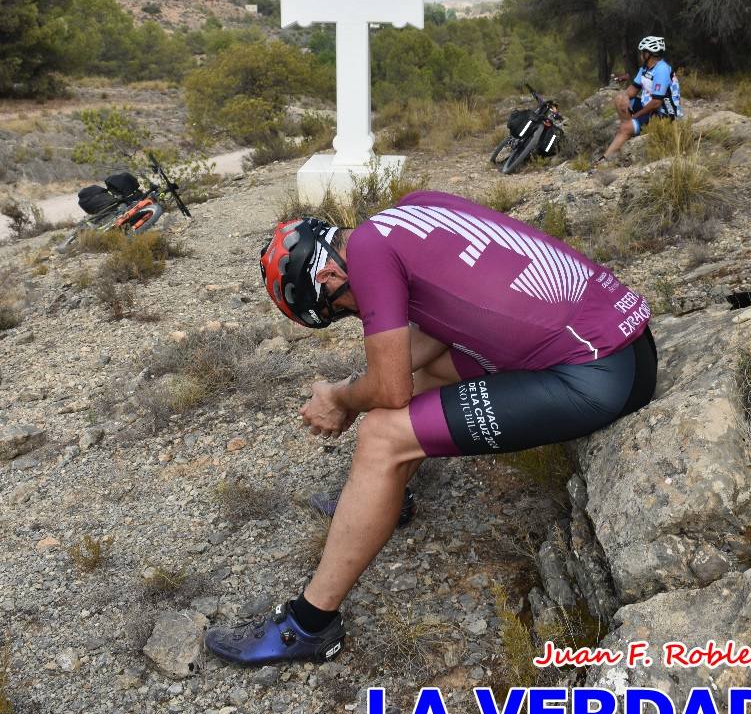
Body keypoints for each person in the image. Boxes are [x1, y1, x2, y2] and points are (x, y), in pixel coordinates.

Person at [205, 191, 657, 667]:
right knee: (431, 376)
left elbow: (389, 389)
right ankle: (379, 498)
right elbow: (444, 325)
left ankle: (309, 625)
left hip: (594, 374)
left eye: (344, 309)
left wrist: (343, 398)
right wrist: (355, 388)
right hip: (627, 343)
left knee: (382, 436)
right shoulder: (412, 209)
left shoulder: (367, 254)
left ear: (329, 274)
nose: (357, 315)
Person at [591, 36, 682, 168]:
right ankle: (629, 132)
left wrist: (635, 116)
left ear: (649, 54)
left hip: (665, 115)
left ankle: (604, 160)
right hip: (649, 108)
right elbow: (631, 91)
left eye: (642, 52)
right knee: (619, 99)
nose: (640, 55)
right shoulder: (645, 69)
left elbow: (657, 103)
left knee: (625, 127)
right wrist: (625, 97)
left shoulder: (662, 69)